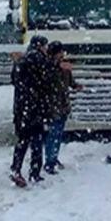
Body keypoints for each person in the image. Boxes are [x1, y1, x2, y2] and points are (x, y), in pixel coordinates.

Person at [10, 35, 52, 187]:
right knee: (37, 140)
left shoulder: (21, 61)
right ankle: (34, 172)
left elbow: (14, 81)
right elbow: (47, 82)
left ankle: (16, 168)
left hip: (22, 108)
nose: (46, 49)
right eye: (45, 46)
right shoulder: (40, 60)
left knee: (22, 140)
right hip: (36, 108)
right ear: (40, 46)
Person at [44, 41, 82, 174]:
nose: (62, 54)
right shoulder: (48, 67)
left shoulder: (64, 68)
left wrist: (76, 86)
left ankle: (54, 158)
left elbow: (70, 82)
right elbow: (47, 77)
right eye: (60, 52)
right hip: (53, 107)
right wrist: (58, 66)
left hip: (63, 105)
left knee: (58, 134)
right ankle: (49, 162)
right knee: (52, 134)